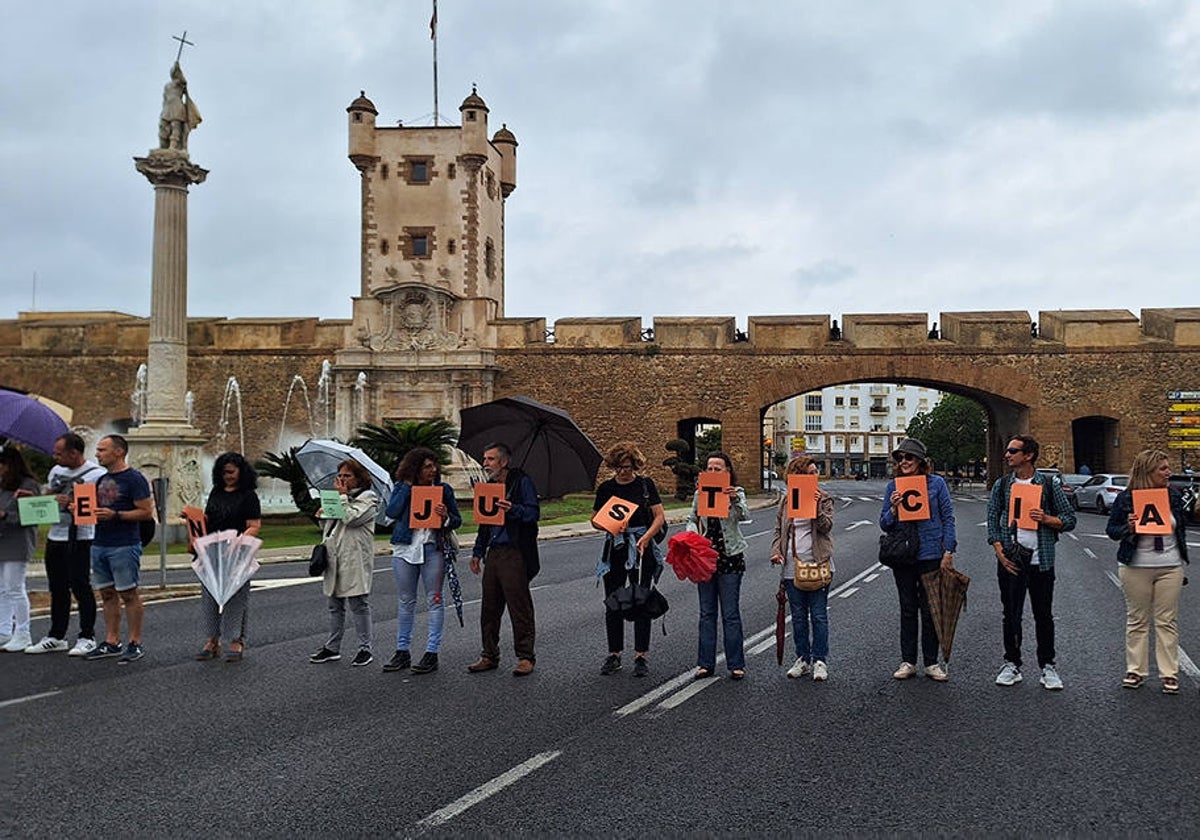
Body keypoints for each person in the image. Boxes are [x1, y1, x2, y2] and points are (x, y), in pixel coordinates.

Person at [986, 435, 1076, 690]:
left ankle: (1048, 666)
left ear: (1028, 455)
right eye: (1006, 450)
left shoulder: (1049, 484)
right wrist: (998, 550)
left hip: (1041, 560)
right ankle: (1011, 664)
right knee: (1011, 615)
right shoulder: (1002, 485)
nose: (1007, 455)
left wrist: (1047, 519)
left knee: (1043, 615)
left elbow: (1069, 518)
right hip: (1011, 560)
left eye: (1012, 451)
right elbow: (992, 519)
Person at [1106, 449, 1191, 694]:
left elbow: (1182, 526)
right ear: (1148, 472)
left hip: (1170, 565)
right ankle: (1135, 670)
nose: (1169, 472)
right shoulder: (1126, 499)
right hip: (1136, 566)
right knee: (1137, 619)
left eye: (1168, 468)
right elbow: (1112, 531)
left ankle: (1169, 673)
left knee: (1166, 620)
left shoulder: (1174, 496)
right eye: (1162, 469)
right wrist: (1128, 527)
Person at [879, 438, 957, 681]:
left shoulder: (937, 484)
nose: (903, 462)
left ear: (920, 461)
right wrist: (893, 510)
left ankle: (931, 663)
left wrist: (948, 550)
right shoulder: (894, 487)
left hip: (930, 553)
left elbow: (948, 518)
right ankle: (908, 661)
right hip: (903, 555)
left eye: (908, 457)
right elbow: (884, 523)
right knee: (908, 608)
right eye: (900, 458)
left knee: (930, 609)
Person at [24, 433, 106, 656]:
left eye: (59, 453)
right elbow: (49, 494)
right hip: (56, 535)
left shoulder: (97, 475)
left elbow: (98, 508)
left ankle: (87, 635)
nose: (55, 456)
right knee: (57, 586)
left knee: (80, 585)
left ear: (74, 453)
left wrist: (72, 502)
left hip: (81, 536)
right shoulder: (56, 471)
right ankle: (56, 635)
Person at [383, 447, 462, 675]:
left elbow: (457, 520)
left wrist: (445, 516)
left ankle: (431, 652)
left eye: (434, 465)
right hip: (405, 549)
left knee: (435, 600)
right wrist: (407, 488)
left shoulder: (443, 490)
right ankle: (402, 650)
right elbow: (392, 511)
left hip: (432, 549)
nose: (433, 470)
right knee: (406, 601)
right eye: (427, 466)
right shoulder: (402, 488)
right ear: (415, 468)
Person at [592, 442, 667, 678]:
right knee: (613, 600)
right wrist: (610, 525)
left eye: (628, 467)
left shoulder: (645, 485)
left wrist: (646, 537)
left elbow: (659, 516)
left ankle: (640, 655)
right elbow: (594, 519)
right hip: (616, 547)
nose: (624, 472)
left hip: (642, 547)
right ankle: (614, 653)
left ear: (635, 465)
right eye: (619, 467)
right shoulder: (606, 488)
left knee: (641, 599)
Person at [468, 443, 540, 677]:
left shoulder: (522, 482)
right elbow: (484, 524)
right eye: (484, 459)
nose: (485, 463)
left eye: (490, 459)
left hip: (515, 551)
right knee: (490, 606)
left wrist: (512, 509)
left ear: (504, 461)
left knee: (519, 606)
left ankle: (525, 656)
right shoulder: (488, 487)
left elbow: (533, 513)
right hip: (494, 552)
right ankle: (489, 654)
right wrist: (478, 552)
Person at [83, 435, 154, 663]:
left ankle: (135, 641)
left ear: (119, 452)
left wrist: (117, 515)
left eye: (102, 450)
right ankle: (112, 640)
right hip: (100, 543)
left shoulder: (135, 479)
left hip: (124, 544)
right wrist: (76, 507)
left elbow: (145, 512)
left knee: (128, 593)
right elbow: (93, 509)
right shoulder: (100, 480)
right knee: (106, 594)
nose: (97, 454)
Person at [686, 451, 751, 680]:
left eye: (718, 468)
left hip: (730, 557)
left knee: (730, 614)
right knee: (707, 613)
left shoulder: (737, 493)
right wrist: (692, 536)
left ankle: (736, 664)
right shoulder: (699, 493)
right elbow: (692, 518)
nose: (713, 472)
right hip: (705, 559)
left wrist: (733, 499)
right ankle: (705, 663)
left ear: (727, 472)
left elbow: (744, 515)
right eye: (709, 468)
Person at [309, 459, 380, 666]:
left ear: (358, 478)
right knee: (334, 604)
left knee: (358, 603)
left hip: (353, 557)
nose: (341, 479)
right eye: (339, 475)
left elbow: (352, 519)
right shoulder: (339, 498)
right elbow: (332, 525)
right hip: (334, 555)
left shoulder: (368, 499)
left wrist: (341, 499)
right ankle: (332, 647)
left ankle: (365, 649)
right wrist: (323, 515)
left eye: (347, 476)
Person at [770, 455, 835, 681]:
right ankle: (802, 659)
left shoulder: (824, 498)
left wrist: (816, 507)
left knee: (818, 615)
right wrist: (776, 551)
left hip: (818, 564)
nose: (815, 476)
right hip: (791, 567)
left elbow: (826, 527)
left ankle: (820, 660)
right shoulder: (787, 500)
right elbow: (779, 530)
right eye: (811, 473)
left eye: (816, 472)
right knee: (798, 616)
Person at [194, 452, 261, 663]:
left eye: (231, 472)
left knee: (236, 597)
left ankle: (236, 640)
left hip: (237, 552)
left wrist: (238, 541)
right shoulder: (216, 492)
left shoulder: (249, 495)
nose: (227, 476)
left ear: (241, 472)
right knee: (209, 596)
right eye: (224, 473)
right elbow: (208, 518)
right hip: (212, 551)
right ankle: (212, 640)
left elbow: (254, 525)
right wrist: (193, 518)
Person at [0, 448, 42, 652]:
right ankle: (4, 630)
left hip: (18, 541)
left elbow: (35, 516)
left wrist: (5, 515)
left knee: (15, 588)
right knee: (2, 588)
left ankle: (23, 633)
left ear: (10, 465)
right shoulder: (2, 484)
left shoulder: (29, 485)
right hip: (2, 539)